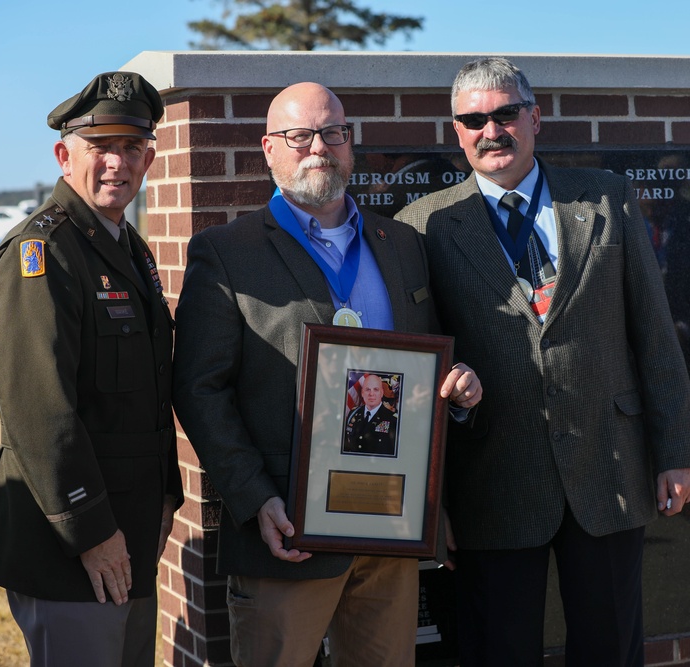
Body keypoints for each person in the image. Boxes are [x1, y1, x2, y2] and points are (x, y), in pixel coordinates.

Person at [395, 57, 690, 667]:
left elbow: (655, 338)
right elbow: (417, 371)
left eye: (506, 113)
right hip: (492, 484)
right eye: (474, 119)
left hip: (609, 470)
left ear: (535, 117)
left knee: (610, 649)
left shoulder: (607, 200)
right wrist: (432, 505)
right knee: (497, 651)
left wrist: (678, 452)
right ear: (456, 131)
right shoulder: (423, 227)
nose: (492, 130)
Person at [171, 82, 482, 667]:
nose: (319, 146)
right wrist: (254, 497)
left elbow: (430, 363)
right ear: (269, 148)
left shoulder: (402, 245)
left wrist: (457, 386)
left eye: (334, 132)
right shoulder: (226, 252)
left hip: (390, 530)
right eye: (300, 135)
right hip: (287, 530)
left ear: (349, 143)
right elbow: (199, 388)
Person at [0, 71, 182, 667]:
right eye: (100, 147)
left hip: (125, 531)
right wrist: (91, 531)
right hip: (71, 543)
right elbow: (40, 413)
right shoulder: (42, 257)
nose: (117, 163)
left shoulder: (125, 247)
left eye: (131, 147)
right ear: (64, 154)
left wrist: (165, 494)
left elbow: (148, 390)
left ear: (149, 158)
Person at [343, 373, 399, 456]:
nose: (371, 394)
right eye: (367, 389)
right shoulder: (353, 414)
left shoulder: (392, 419)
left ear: (381, 393)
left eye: (376, 389)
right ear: (362, 393)